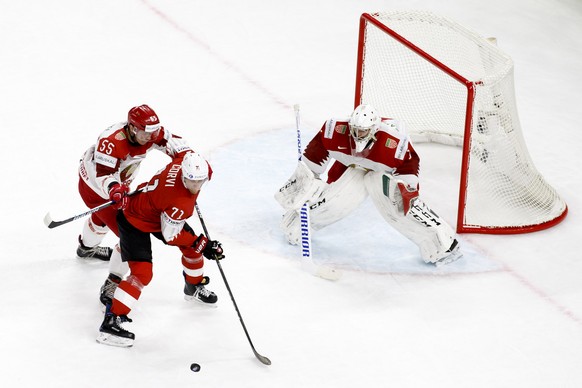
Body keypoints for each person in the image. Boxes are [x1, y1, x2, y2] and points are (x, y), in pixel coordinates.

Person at [275, 104, 461, 266]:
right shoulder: (335, 129)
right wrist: (304, 185)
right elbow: (313, 160)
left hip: (381, 168)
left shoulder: (393, 142)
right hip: (350, 163)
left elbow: (409, 161)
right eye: (355, 129)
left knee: (395, 204)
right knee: (336, 201)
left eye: (363, 131)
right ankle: (297, 223)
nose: (358, 134)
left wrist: (407, 188)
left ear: (374, 130)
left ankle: (443, 242)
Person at [97, 151, 225, 347]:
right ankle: (111, 322)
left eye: (200, 181)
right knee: (143, 274)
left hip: (155, 209)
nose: (197, 186)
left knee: (192, 249)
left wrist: (199, 245)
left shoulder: (187, 162)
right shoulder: (178, 203)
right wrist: (203, 244)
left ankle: (193, 287)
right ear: (183, 176)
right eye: (192, 182)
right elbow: (170, 235)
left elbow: (180, 148)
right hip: (134, 219)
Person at [76, 104, 190, 261]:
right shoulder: (111, 141)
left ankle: (86, 248)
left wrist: (188, 157)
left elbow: (172, 141)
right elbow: (104, 174)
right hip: (94, 187)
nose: (150, 137)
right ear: (132, 128)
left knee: (102, 217)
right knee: (129, 234)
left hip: (118, 184)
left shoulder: (150, 132)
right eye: (145, 133)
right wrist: (114, 189)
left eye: (154, 132)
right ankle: (115, 278)